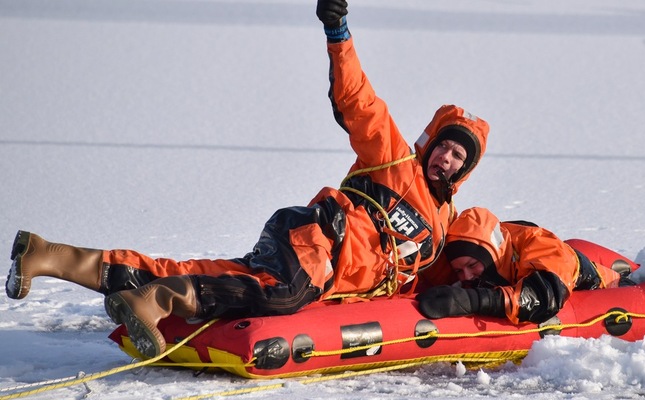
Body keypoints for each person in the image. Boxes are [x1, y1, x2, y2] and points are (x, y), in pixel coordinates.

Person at [5, 0, 489, 359]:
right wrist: (338, 32)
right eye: (443, 146)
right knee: (282, 294)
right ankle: (155, 302)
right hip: (314, 241)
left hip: (320, 268)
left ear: (464, 170)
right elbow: (359, 100)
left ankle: (48, 255)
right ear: (430, 144)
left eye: (457, 156)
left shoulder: (442, 226)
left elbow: (445, 271)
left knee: (208, 273)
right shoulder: (392, 159)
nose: (445, 157)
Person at [416, 207, 634, 324]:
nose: (467, 276)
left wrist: (473, 301)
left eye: (472, 264)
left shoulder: (541, 246)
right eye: (459, 271)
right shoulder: (500, 254)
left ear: (493, 251)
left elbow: (544, 297)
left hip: (614, 292)